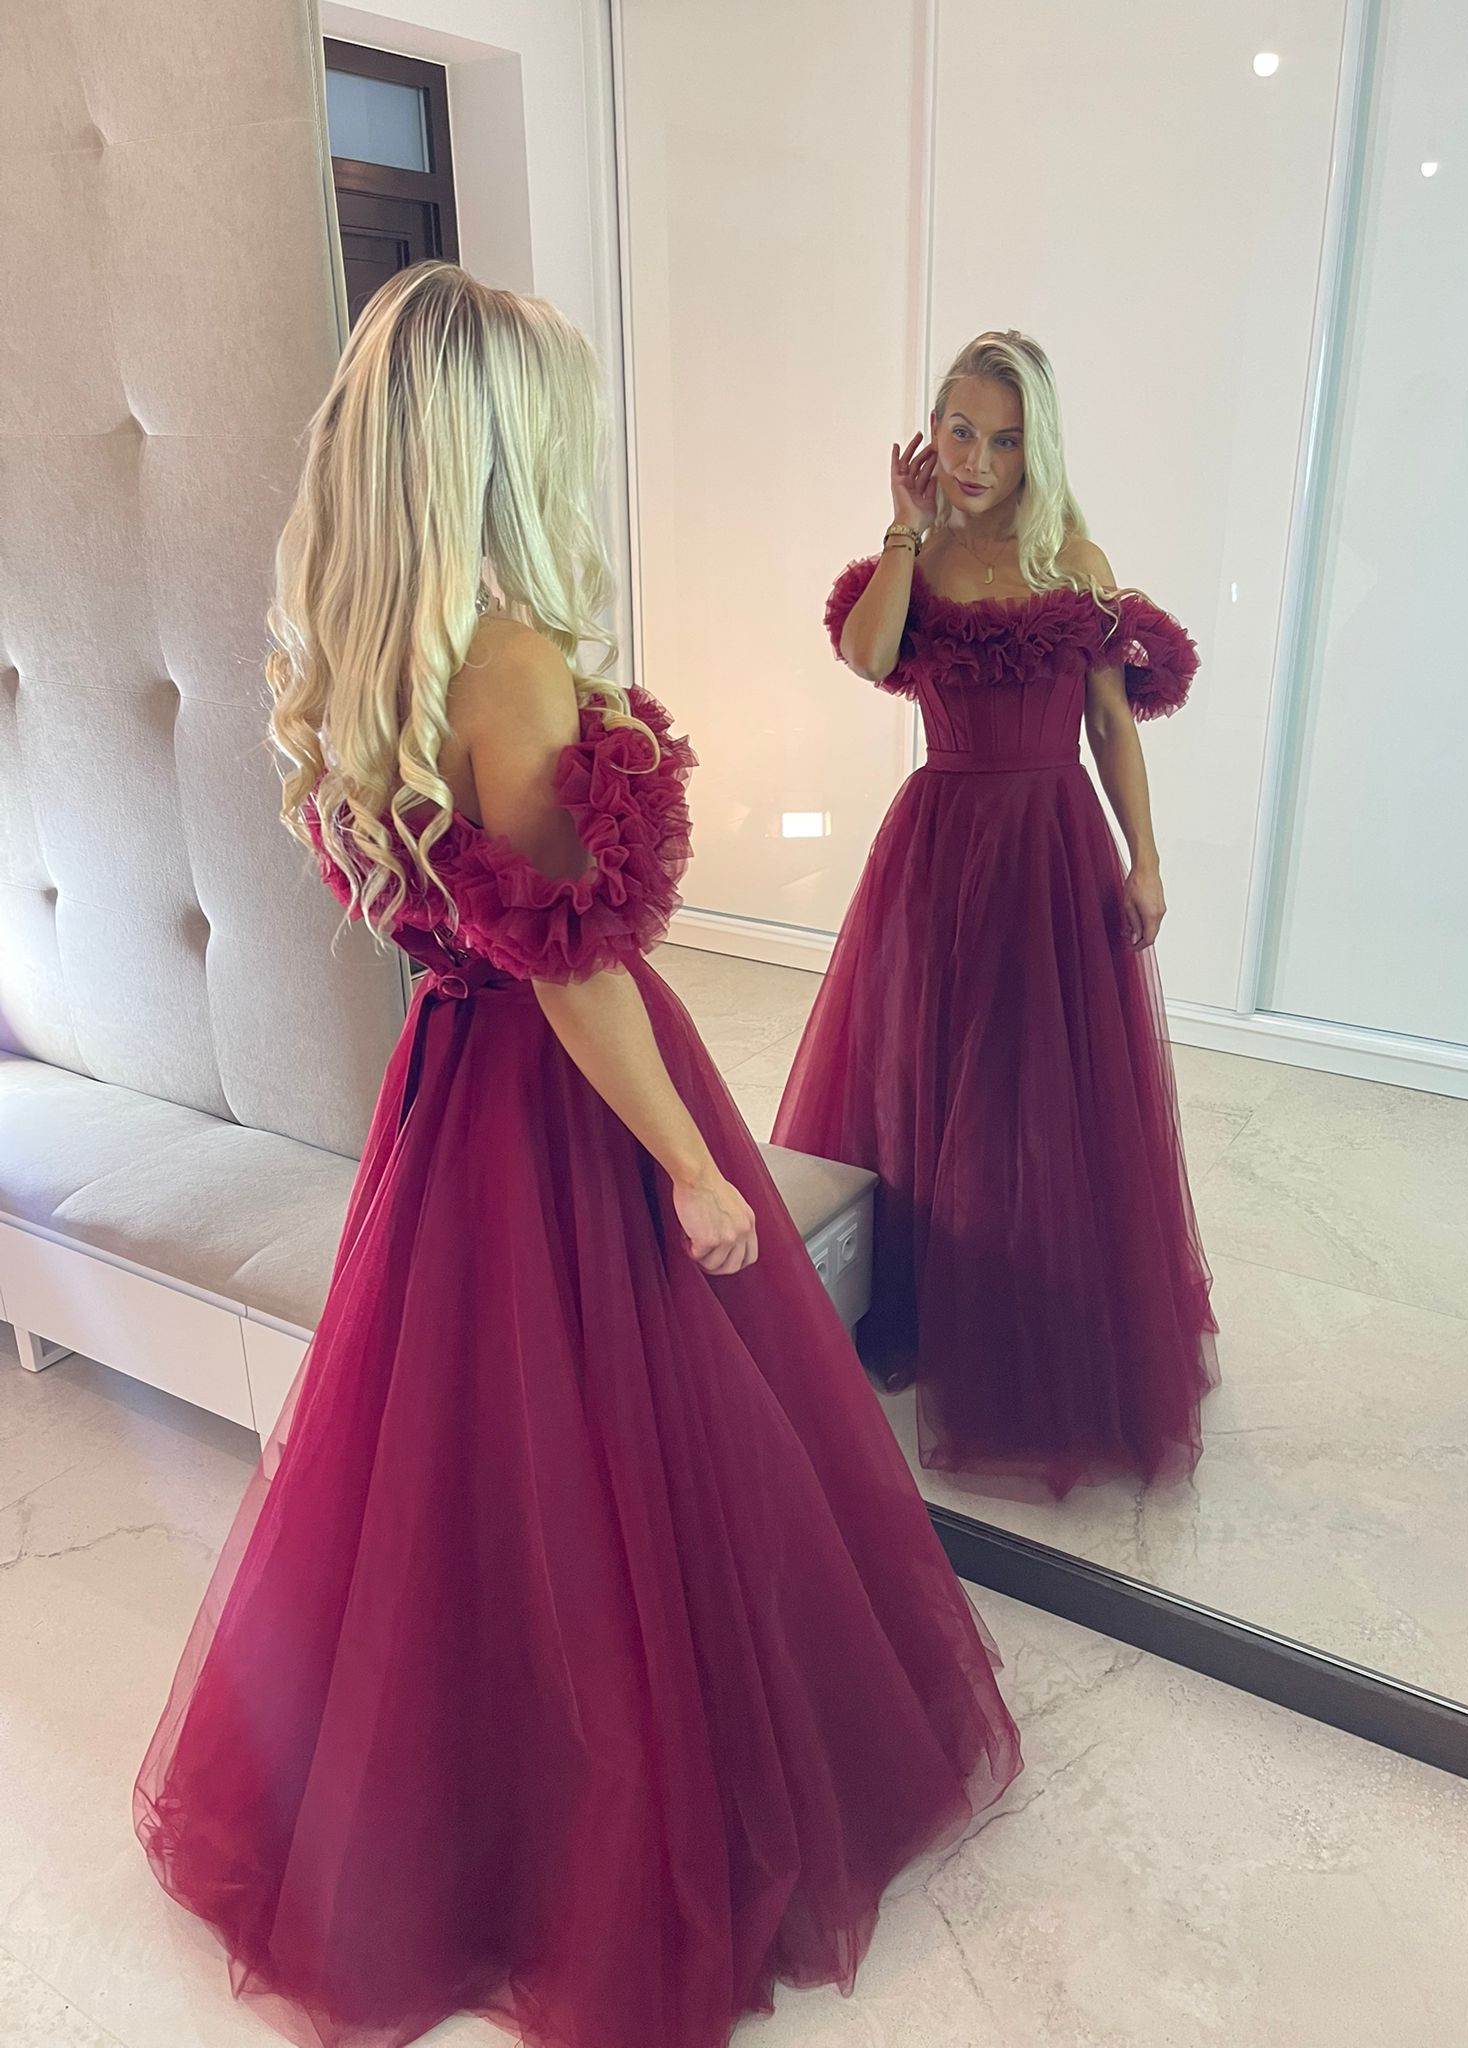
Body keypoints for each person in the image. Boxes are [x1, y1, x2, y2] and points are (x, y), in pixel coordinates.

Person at [133, 266, 1021, 2048]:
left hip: (449, 1085)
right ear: (493, 445)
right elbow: (568, 966)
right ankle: (584, 1833)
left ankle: (463, 1791)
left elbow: (486, 935)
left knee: (467, 1466)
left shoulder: (368, 651)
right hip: (559, 1098)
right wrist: (694, 1164)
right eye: (552, 421)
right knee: (611, 1463)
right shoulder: (510, 663)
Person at [773, 331, 1219, 1501]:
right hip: (939, 845)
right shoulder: (919, 559)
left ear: (1037, 450)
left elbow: (1111, 724)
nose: (977, 457)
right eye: (961, 430)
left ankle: (1043, 1305)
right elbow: (866, 656)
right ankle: (930, 1290)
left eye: (1004, 439)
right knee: (928, 1072)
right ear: (932, 433)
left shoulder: (1072, 558)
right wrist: (902, 530)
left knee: (1041, 1082)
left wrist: (1147, 857)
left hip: (1053, 844)